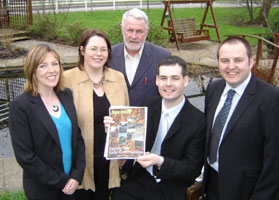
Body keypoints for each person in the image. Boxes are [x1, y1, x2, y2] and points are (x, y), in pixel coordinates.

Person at [105, 55, 206, 200]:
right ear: (157, 80)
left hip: (171, 187)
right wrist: (114, 130)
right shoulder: (148, 105)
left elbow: (192, 169)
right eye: (163, 78)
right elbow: (130, 140)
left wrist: (160, 161)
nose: (168, 84)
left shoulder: (198, 121)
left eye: (175, 78)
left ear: (186, 81)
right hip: (141, 177)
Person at [202, 37, 279, 200]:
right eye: (224, 60)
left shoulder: (270, 98)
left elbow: (274, 161)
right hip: (212, 184)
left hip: (246, 189)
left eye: (238, 60)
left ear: (250, 62)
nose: (231, 66)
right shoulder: (214, 89)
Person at [9, 43, 85, 200]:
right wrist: (62, 181)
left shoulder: (66, 95)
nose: (51, 70)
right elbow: (25, 157)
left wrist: (77, 175)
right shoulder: (21, 106)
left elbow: (76, 137)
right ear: (33, 71)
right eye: (43, 66)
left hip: (71, 184)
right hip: (43, 188)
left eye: (55, 64)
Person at [63, 29, 129, 200]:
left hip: (109, 161)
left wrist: (125, 150)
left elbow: (127, 118)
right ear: (82, 50)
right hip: (79, 162)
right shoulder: (66, 79)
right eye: (93, 49)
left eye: (103, 49)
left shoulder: (118, 78)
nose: (98, 54)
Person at [110, 8, 171, 106]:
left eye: (139, 31)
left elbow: (168, 92)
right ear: (122, 29)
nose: (134, 36)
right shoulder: (108, 55)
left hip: (151, 119)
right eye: (130, 30)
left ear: (147, 32)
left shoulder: (162, 56)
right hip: (115, 119)